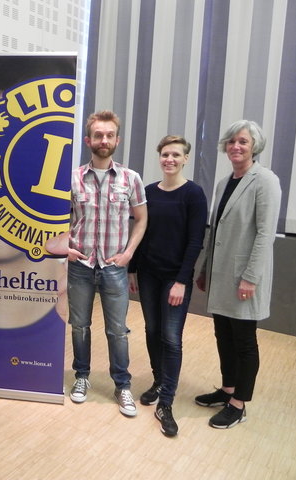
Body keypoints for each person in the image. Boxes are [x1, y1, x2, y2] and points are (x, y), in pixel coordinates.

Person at [195, 120, 281, 429]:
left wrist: (250, 277)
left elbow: (264, 234)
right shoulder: (224, 182)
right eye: (231, 141)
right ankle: (227, 389)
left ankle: (239, 403)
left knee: (244, 341)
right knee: (223, 335)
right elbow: (215, 231)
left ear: (254, 146)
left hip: (244, 277)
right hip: (221, 274)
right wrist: (205, 269)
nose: (236, 146)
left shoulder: (265, 181)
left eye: (243, 141)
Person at [67, 110, 148, 417]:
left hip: (115, 266)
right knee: (80, 327)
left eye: (109, 135)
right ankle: (81, 377)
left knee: (117, 330)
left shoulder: (131, 179)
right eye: (98, 135)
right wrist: (67, 246)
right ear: (88, 140)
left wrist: (128, 254)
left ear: (117, 139)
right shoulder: (72, 178)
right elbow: (60, 218)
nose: (103, 140)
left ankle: (122, 385)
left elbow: (141, 219)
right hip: (81, 266)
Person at [128, 135, 208, 436]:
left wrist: (182, 281)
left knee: (171, 337)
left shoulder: (194, 194)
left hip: (175, 279)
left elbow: (195, 241)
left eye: (175, 154)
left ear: (185, 158)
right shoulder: (148, 192)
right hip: (149, 275)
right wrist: (133, 271)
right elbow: (141, 231)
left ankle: (167, 402)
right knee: (151, 330)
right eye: (164, 154)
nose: (169, 159)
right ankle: (158, 380)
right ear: (159, 158)